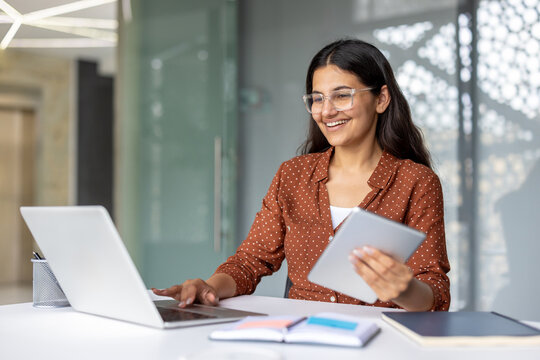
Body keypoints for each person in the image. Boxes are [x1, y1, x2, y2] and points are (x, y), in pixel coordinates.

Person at [153, 39, 450, 311]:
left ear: (381, 99)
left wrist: (405, 289)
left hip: (380, 341)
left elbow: (435, 291)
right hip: (302, 336)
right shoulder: (293, 176)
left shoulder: (416, 182)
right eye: (317, 99)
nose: (327, 111)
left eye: (342, 96)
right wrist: (209, 287)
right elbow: (249, 262)